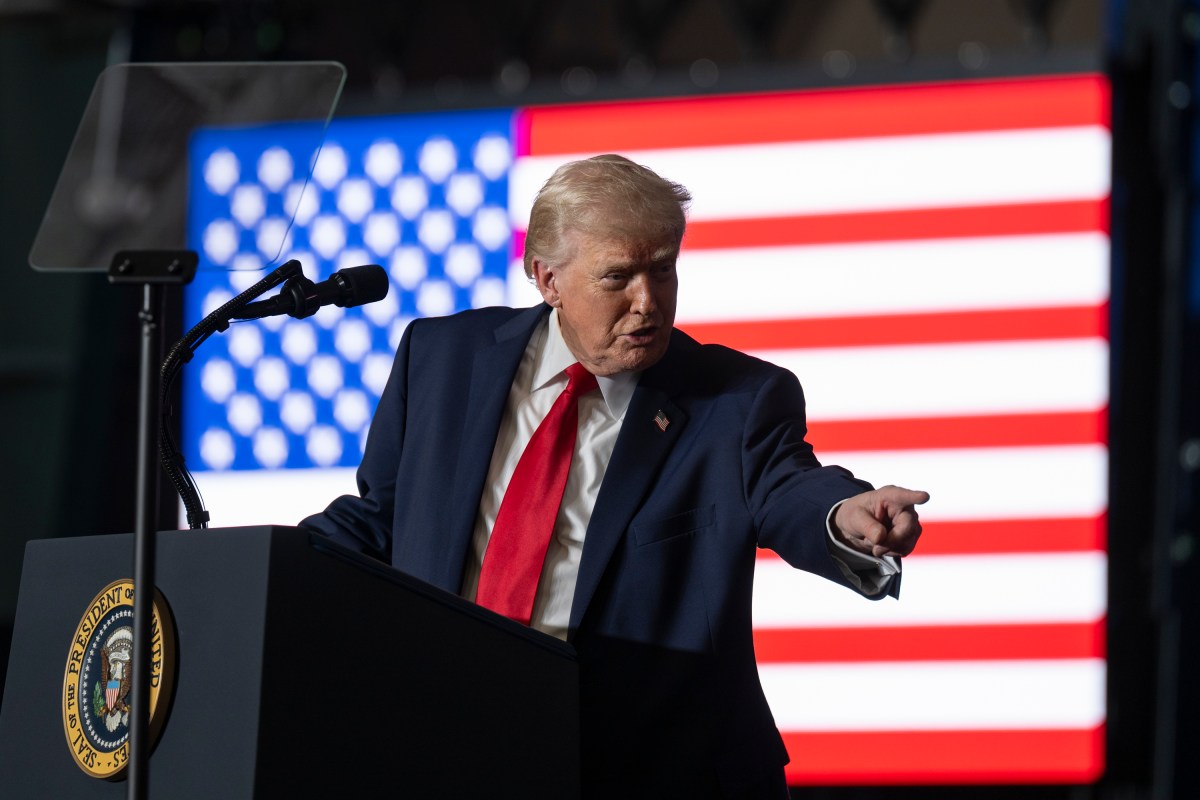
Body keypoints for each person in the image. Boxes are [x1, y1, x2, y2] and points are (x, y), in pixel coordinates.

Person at [301, 154, 928, 798]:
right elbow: (383, 518)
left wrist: (845, 517)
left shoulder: (735, 400)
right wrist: (259, 558)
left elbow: (788, 486)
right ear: (547, 278)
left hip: (653, 770)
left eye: (663, 271)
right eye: (617, 277)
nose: (647, 302)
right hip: (452, 748)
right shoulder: (439, 357)